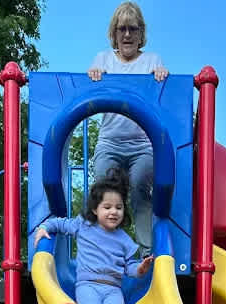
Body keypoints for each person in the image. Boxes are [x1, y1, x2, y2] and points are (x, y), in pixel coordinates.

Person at [34, 170, 153, 304]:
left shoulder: (124, 240)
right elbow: (60, 223)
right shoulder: (84, 226)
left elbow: (129, 266)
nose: (113, 212)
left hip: (113, 288)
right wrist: (44, 227)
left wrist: (140, 269)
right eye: (107, 207)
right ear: (95, 209)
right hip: (88, 285)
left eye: (119, 207)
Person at [87, 2, 168, 256]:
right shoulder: (103, 59)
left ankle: (147, 252)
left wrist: (161, 75)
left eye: (133, 29)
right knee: (104, 188)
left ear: (141, 33)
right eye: (122, 29)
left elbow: (162, 96)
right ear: (114, 33)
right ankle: (105, 250)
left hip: (142, 144)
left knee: (139, 185)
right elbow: (90, 91)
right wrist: (94, 75)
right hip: (110, 142)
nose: (127, 35)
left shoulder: (152, 60)